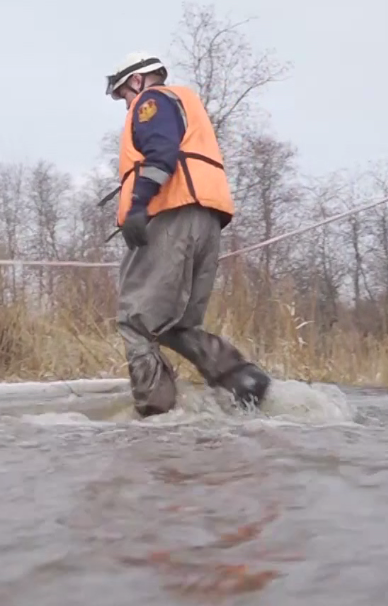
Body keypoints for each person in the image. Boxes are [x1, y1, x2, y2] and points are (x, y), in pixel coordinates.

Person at [100, 51, 273, 418]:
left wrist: (138, 206)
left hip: (170, 217)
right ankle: (241, 377)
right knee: (176, 324)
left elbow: (161, 152)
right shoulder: (186, 104)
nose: (126, 106)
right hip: (207, 222)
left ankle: (156, 417)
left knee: (137, 321)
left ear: (136, 81)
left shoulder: (151, 101)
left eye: (123, 97)